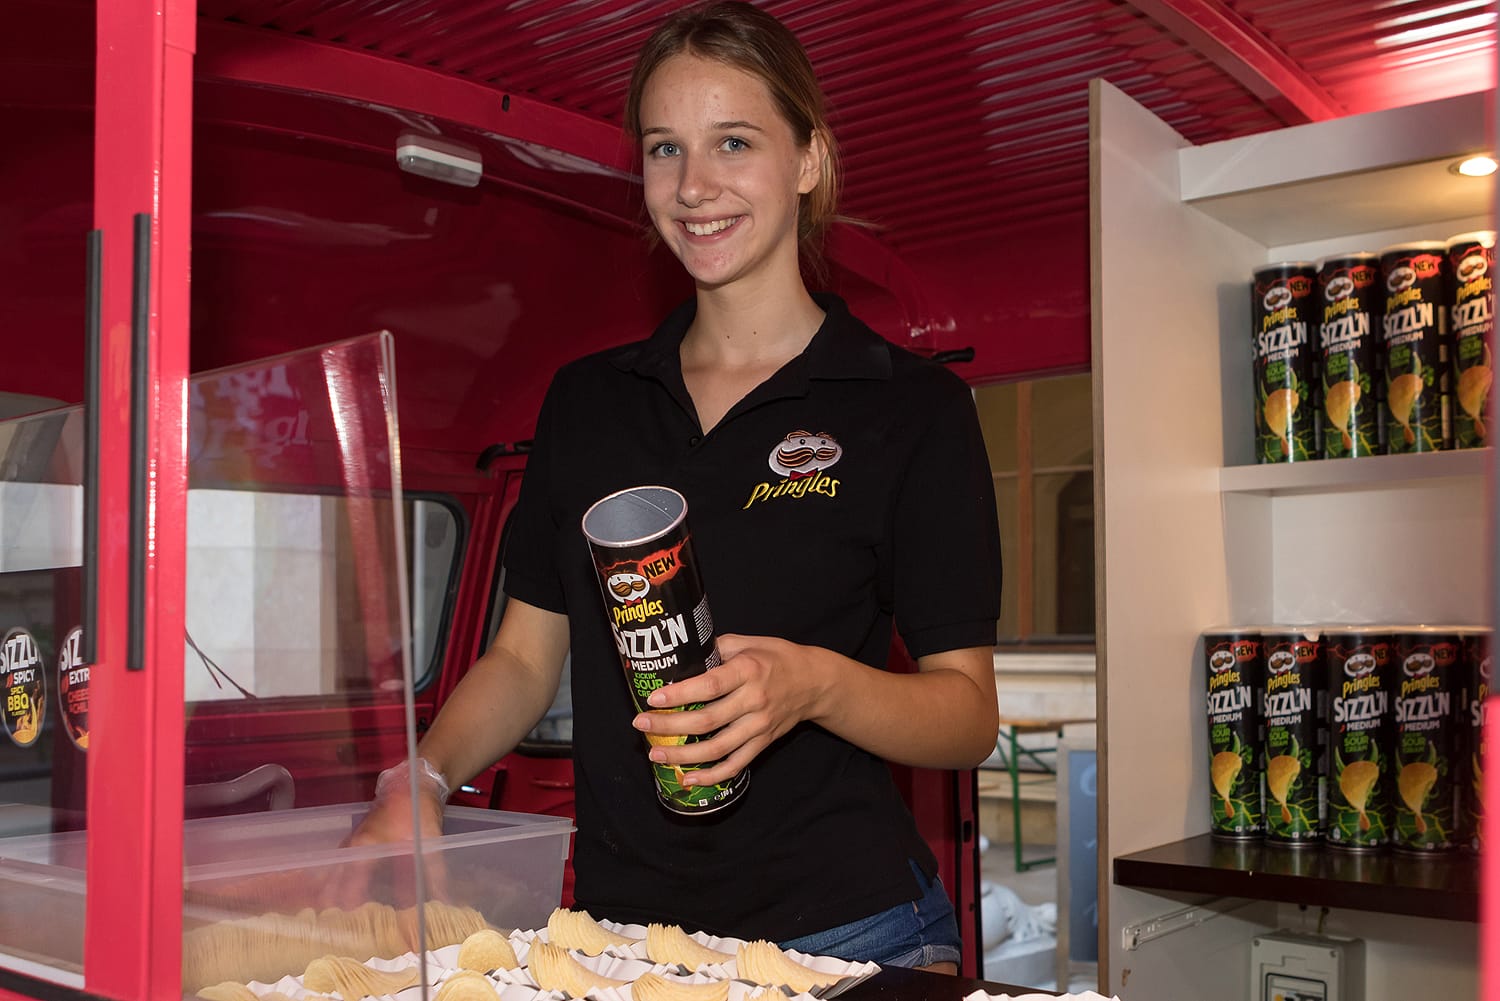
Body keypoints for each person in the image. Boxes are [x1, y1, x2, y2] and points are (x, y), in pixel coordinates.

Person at [355, 0, 1002, 974]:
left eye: (733, 142)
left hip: (850, 936)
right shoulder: (589, 402)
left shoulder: (908, 408)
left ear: (809, 160)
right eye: (665, 149)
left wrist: (815, 684)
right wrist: (425, 776)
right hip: (627, 942)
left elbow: (967, 714)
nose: (694, 186)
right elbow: (524, 658)